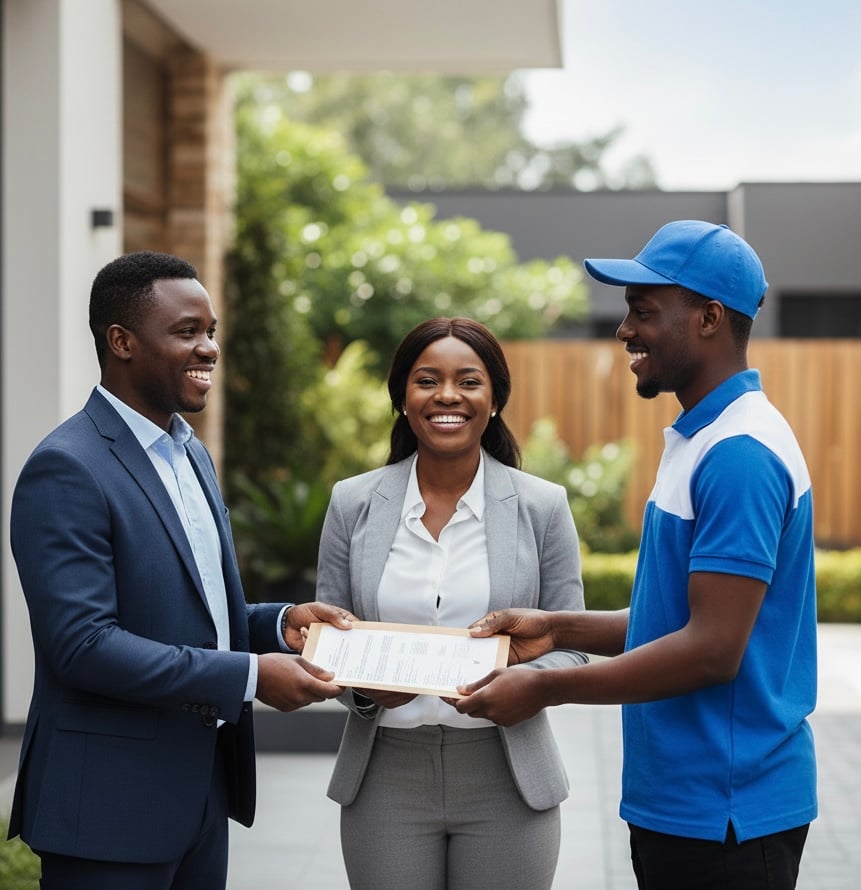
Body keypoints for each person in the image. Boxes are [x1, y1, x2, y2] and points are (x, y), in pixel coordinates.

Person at [455, 221, 818, 890]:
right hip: (686, 806)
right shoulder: (703, 437)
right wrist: (557, 629)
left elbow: (711, 649)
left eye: (643, 311)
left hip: (727, 814)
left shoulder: (738, 454)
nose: (624, 329)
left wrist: (548, 687)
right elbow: (675, 619)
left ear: (709, 318)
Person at [8, 251, 355, 890]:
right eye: (187, 331)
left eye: (211, 331)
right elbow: (83, 647)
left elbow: (192, 610)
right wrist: (251, 676)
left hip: (200, 796)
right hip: (108, 808)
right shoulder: (67, 468)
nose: (210, 348)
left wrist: (278, 625)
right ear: (122, 342)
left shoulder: (190, 453)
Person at [314, 317, 587, 890]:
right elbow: (327, 640)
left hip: (507, 774)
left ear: (495, 400)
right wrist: (362, 690)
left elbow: (572, 646)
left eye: (468, 381)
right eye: (426, 380)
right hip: (385, 773)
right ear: (402, 397)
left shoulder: (543, 507)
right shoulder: (352, 502)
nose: (446, 396)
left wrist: (522, 683)